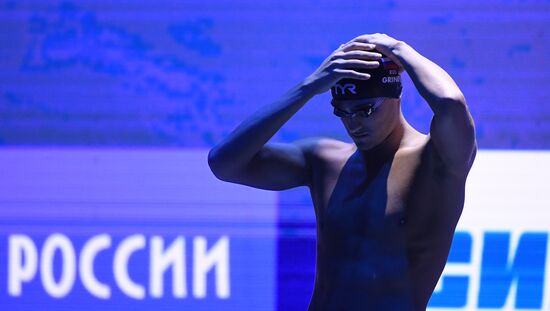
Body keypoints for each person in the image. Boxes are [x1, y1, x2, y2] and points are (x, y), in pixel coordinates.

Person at [208, 33, 477, 310]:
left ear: (395, 96)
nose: (354, 123)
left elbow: (451, 104)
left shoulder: (436, 161)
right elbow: (223, 163)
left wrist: (398, 50)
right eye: (342, 113)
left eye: (365, 110)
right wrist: (308, 87)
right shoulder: (324, 161)